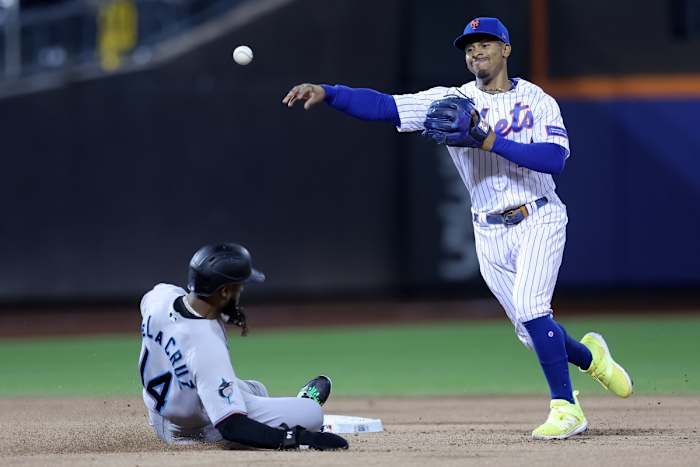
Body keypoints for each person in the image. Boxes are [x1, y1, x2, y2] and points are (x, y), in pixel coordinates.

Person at [282, 17, 633, 440]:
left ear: (505, 49)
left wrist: (487, 140)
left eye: (485, 43)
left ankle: (566, 407)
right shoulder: (449, 99)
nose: (475, 52)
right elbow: (384, 105)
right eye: (469, 47)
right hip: (487, 230)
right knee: (529, 332)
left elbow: (553, 159)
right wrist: (330, 93)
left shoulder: (538, 100)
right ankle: (591, 357)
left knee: (530, 306)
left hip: (538, 215)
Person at [138, 242, 348, 450]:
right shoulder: (206, 345)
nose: (241, 291)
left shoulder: (161, 296)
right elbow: (232, 427)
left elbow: (157, 318)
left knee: (257, 388)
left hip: (158, 415)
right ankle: (301, 404)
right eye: (239, 286)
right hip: (194, 433)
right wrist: (299, 438)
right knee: (311, 413)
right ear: (224, 291)